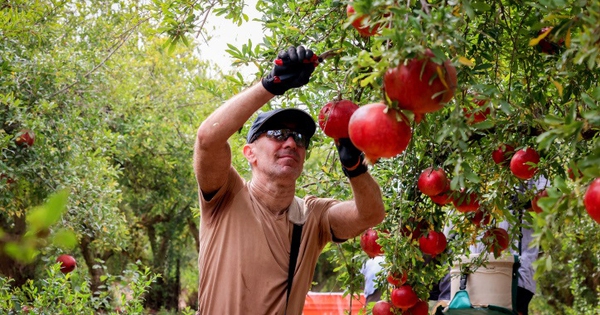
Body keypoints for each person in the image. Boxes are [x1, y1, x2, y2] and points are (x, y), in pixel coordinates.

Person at [193, 45, 386, 315]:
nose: (290, 143)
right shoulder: (226, 196)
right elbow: (207, 138)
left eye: (299, 138)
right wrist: (272, 84)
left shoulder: (312, 217)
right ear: (250, 153)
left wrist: (355, 167)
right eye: (276, 133)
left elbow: (371, 214)